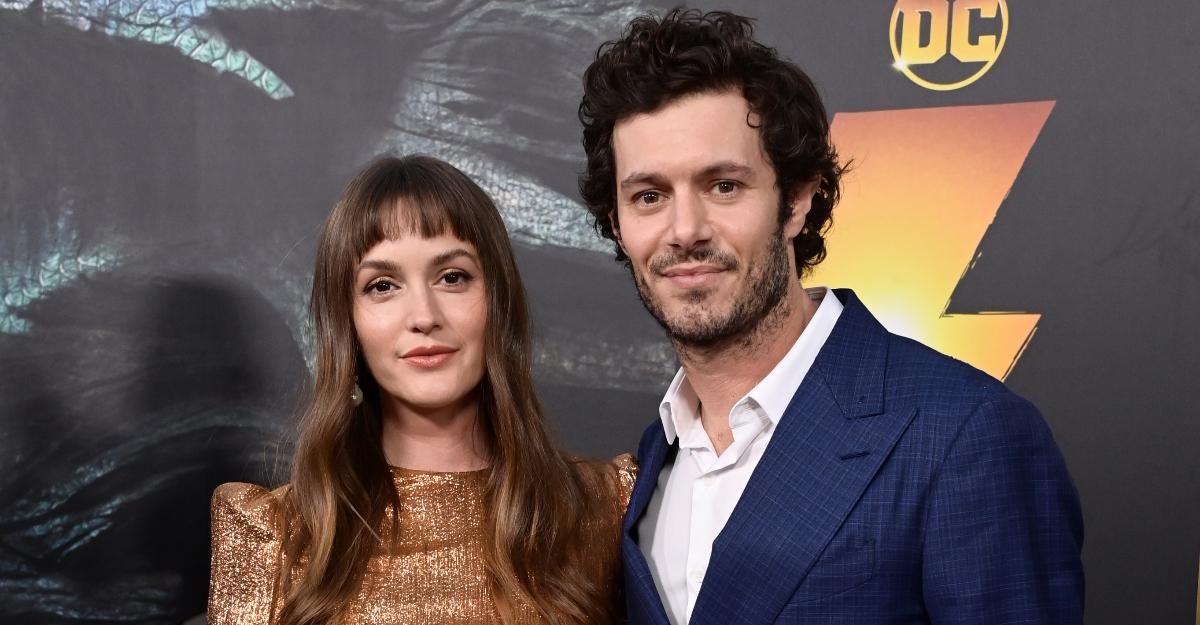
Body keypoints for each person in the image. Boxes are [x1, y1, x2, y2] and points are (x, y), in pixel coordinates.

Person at [577, 9, 1084, 625]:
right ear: (618, 223)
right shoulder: (656, 455)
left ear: (795, 201)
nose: (684, 231)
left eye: (723, 186)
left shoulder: (965, 436)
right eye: (649, 196)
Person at [207, 155, 635, 625]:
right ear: (346, 324)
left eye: (452, 277)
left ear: (498, 302)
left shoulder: (604, 506)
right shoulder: (272, 536)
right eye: (383, 286)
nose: (424, 315)